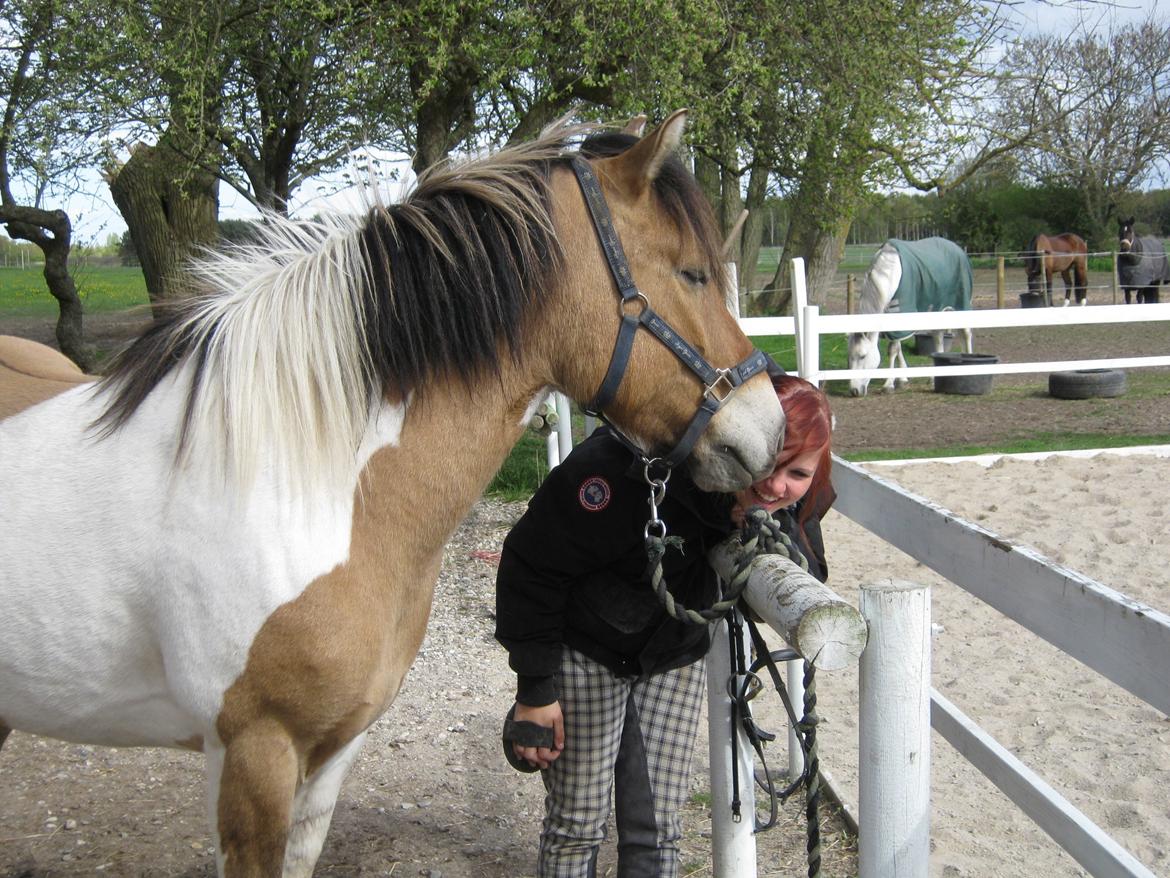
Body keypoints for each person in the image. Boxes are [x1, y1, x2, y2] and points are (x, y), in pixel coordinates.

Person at [494, 374, 834, 877]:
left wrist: (760, 528)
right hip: (586, 646)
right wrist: (536, 689)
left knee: (657, 829)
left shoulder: (782, 501)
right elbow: (532, 563)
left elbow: (807, 568)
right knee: (578, 822)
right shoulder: (616, 472)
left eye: (798, 473)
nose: (776, 484)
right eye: (768, 461)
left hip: (673, 653)